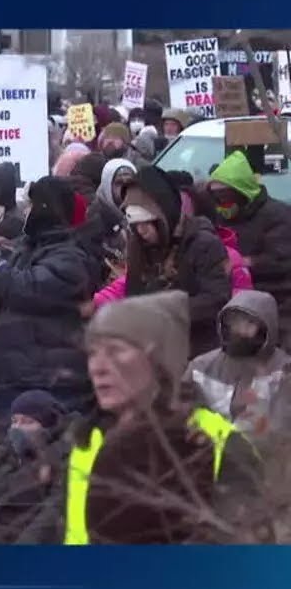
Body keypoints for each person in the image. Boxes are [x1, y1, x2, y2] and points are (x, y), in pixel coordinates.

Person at [68, 290, 261, 544]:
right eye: (93, 353)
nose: (99, 367)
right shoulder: (86, 441)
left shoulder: (218, 442)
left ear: (159, 358)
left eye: (115, 351)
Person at [0, 177, 97, 424]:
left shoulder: (70, 257)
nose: (26, 211)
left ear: (46, 208)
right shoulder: (25, 249)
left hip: (50, 383)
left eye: (32, 205)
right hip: (13, 378)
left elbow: (29, 290)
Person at [91, 167, 230, 357]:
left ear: (164, 214)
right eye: (136, 225)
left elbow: (217, 299)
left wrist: (165, 309)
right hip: (154, 352)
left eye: (147, 223)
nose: (142, 231)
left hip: (197, 350)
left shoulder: (203, 244)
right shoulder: (138, 246)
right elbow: (134, 293)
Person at [0, 390, 69, 544]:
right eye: (15, 421)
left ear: (48, 426)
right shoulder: (0, 455)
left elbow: (50, 516)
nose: (17, 428)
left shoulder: (63, 459)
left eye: (27, 422)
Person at [187, 290, 291, 451]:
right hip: (204, 458)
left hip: (265, 463)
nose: (240, 330)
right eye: (235, 322)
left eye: (249, 324)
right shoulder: (202, 365)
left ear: (266, 327)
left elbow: (280, 428)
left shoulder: (284, 370)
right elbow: (181, 410)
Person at [207, 150, 291, 348]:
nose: (221, 203)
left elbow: (281, 261)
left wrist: (245, 262)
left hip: (275, 299)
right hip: (230, 298)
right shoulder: (220, 216)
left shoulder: (276, 215)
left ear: (241, 192)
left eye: (225, 196)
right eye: (216, 197)